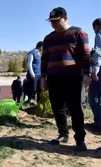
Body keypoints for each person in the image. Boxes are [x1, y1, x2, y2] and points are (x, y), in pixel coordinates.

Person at [41, 7, 91, 151]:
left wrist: (87, 74)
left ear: (65, 18)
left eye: (56, 21)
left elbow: (86, 56)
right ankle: (63, 134)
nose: (53, 24)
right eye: (51, 22)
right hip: (54, 77)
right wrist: (43, 77)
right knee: (58, 107)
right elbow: (45, 59)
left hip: (73, 77)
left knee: (75, 108)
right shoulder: (48, 39)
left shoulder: (79, 33)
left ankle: (80, 139)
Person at [88, 18, 101, 130]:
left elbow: (98, 53)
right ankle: (97, 121)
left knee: (93, 97)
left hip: (99, 70)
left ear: (96, 26)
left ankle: (100, 121)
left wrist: (95, 70)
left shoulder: (99, 35)